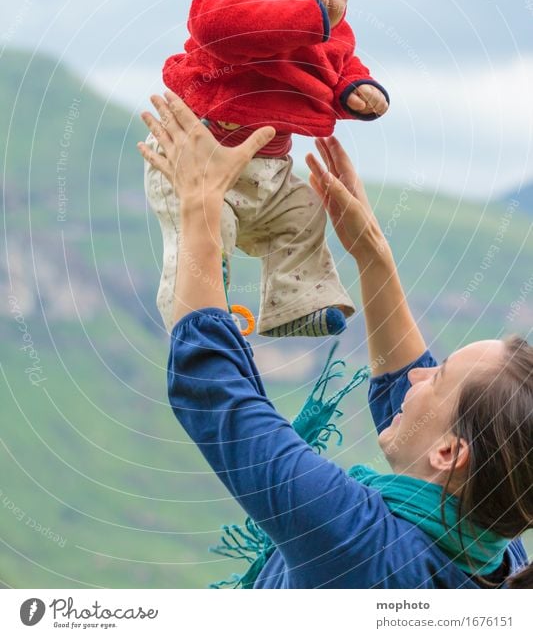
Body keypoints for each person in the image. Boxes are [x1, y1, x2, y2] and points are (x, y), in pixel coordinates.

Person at [138, 91, 533, 589]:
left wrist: (199, 208)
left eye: (439, 377)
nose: (419, 371)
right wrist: (373, 255)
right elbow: (416, 426)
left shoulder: (358, 544)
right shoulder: (493, 546)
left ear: (450, 454)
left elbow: (215, 392)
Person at [144, 0, 390, 338]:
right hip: (198, 152)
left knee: (304, 210)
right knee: (204, 231)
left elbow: (340, 64)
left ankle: (297, 304)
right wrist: (302, 17)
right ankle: (198, 320)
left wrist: (359, 90)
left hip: (270, 171)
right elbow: (220, 30)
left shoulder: (327, 26)